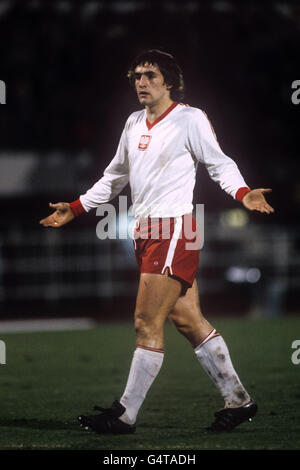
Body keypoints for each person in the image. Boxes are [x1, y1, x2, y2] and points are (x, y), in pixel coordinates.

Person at [40, 49, 274, 433]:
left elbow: (219, 162)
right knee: (189, 320)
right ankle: (240, 400)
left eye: (149, 75)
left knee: (145, 321)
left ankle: (125, 414)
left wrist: (242, 192)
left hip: (175, 230)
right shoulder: (133, 122)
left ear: (169, 82)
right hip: (146, 232)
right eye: (136, 77)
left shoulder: (189, 118)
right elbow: (115, 175)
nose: (141, 82)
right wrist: (77, 208)